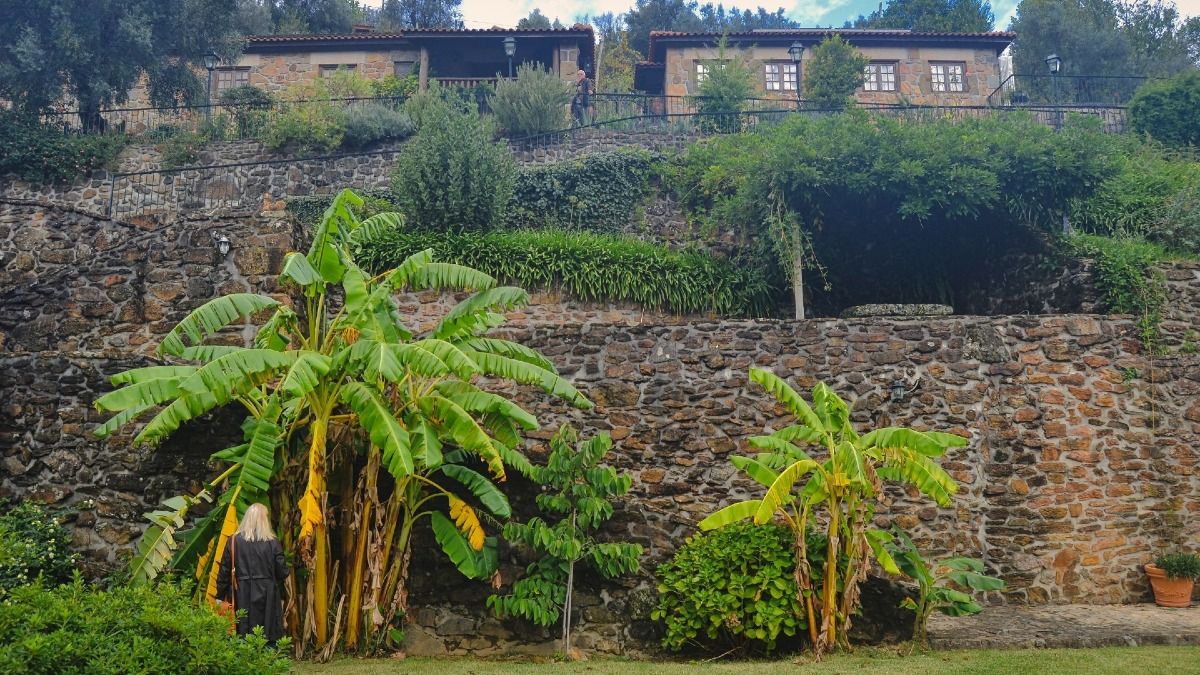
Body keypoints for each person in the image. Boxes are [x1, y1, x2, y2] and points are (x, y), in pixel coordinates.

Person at [217, 503, 290, 644]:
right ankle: (268, 661)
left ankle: (245, 661)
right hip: (267, 595)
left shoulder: (233, 541)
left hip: (241, 594)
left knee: (242, 632)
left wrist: (220, 596)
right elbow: (282, 571)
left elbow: (224, 571)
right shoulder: (272, 542)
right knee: (268, 633)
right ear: (264, 520)